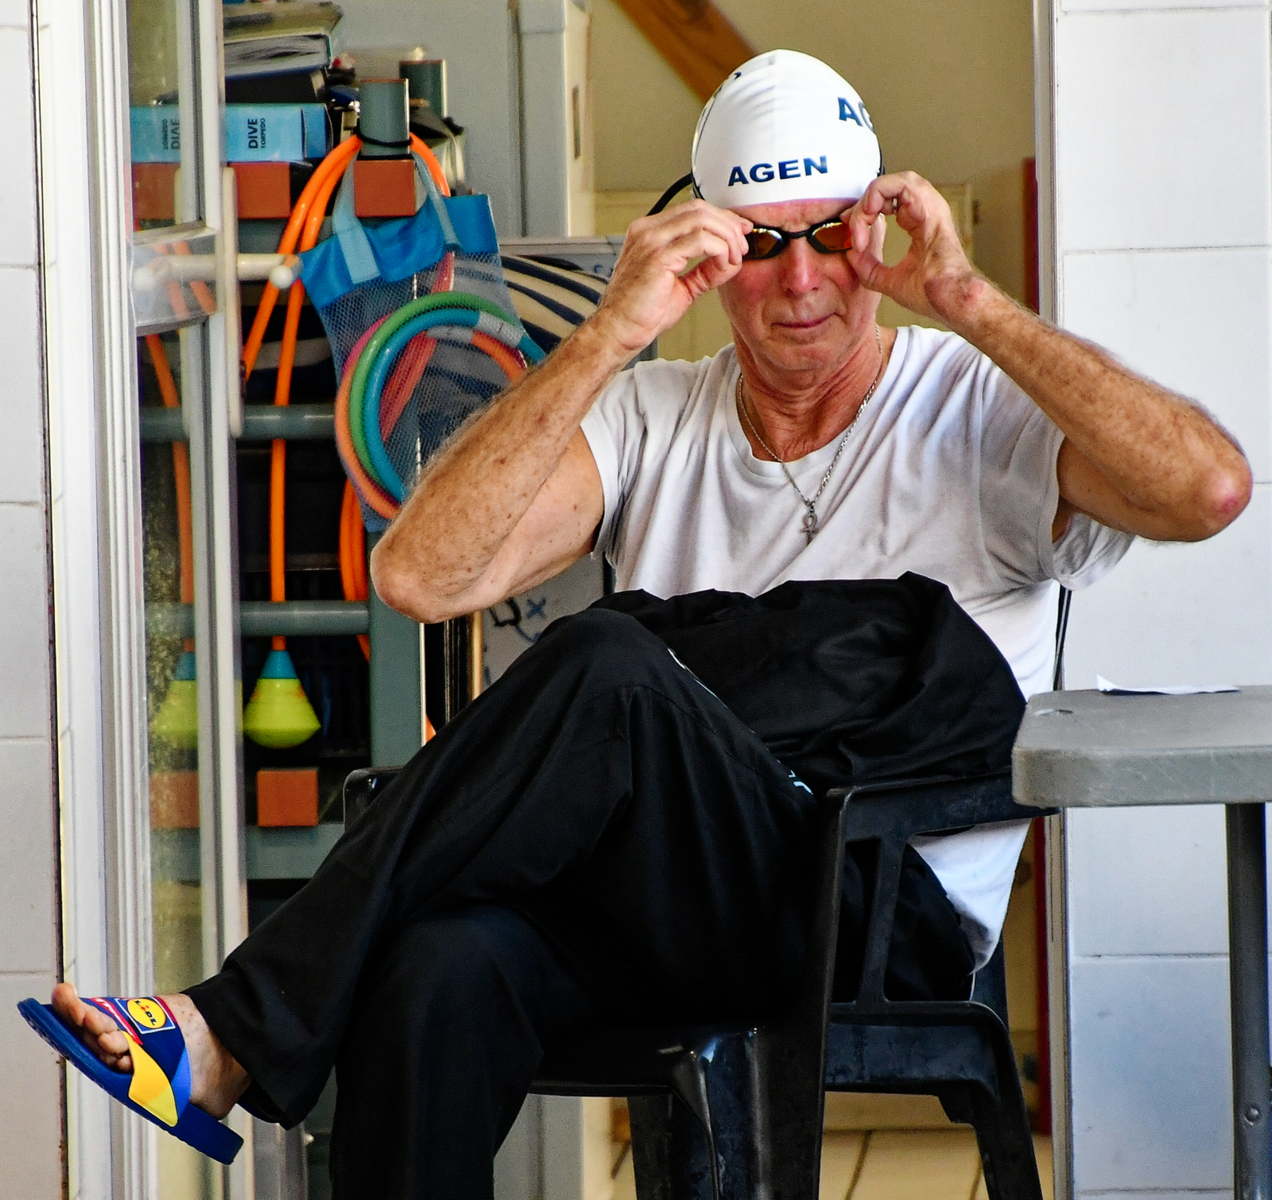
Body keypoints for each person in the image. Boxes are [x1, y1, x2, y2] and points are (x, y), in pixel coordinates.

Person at [45, 49, 1249, 1197]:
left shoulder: (973, 408)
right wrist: (607, 333)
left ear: (874, 233)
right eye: (761, 246)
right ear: (711, 252)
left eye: (830, 236)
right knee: (436, 970)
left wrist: (970, 301)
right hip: (650, 909)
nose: (802, 281)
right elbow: (418, 576)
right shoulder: (653, 414)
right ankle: (243, 1031)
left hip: (871, 913)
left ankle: (233, 1029)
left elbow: (1208, 489)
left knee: (613, 666)